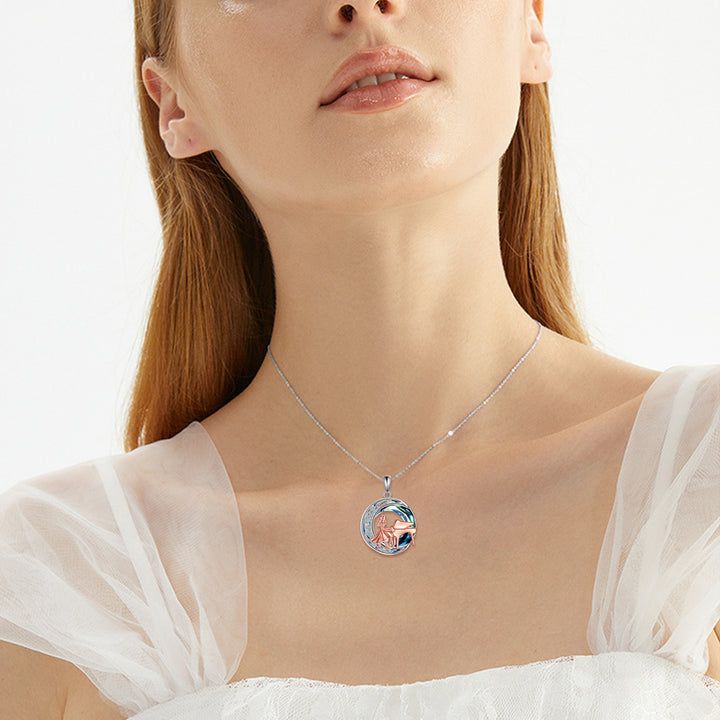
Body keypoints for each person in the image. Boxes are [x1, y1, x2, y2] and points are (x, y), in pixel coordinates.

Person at [1, 0, 720, 718]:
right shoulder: (54, 583)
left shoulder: (703, 480)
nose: (362, 4)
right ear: (174, 102)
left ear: (531, 24)